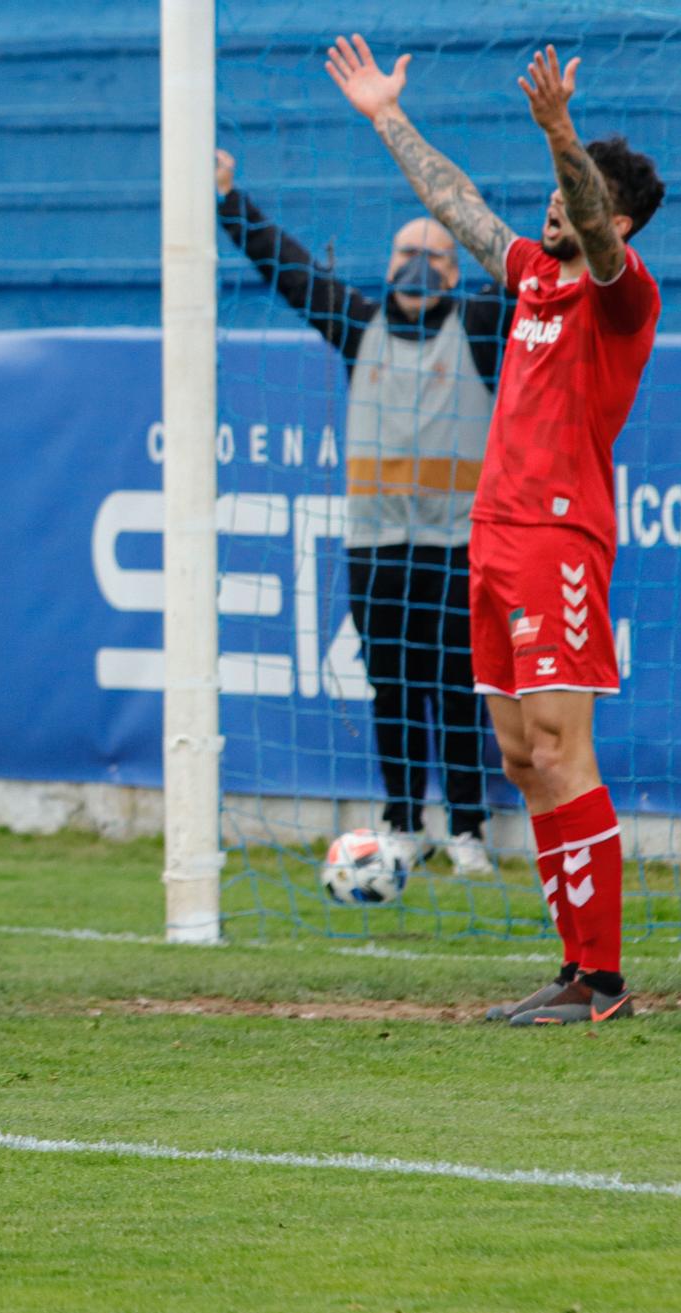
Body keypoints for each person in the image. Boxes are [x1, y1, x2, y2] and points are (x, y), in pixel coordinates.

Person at [329, 38, 663, 1023]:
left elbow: (595, 235)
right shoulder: (526, 277)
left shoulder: (619, 291)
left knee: (562, 745)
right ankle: (572, 967)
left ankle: (600, 978)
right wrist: (385, 116)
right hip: (494, 537)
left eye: (578, 193)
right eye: (559, 186)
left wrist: (561, 132)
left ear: (616, 217)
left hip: (559, 539)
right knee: (520, 758)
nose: (555, 202)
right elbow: (458, 205)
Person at [215, 149, 505, 876]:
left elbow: (517, 271)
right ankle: (401, 820)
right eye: (408, 251)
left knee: (457, 691)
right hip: (377, 547)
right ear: (388, 259)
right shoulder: (359, 325)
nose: (420, 265)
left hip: (456, 547)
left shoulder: (476, 326)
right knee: (394, 688)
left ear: (455, 264)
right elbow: (292, 273)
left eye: (436, 254)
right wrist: (228, 198)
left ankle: (467, 828)